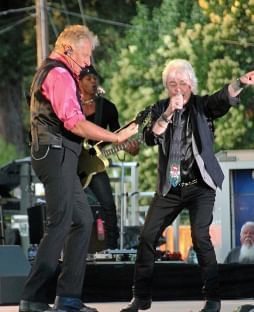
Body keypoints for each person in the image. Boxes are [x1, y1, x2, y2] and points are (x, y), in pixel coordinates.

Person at [19, 24, 138, 312]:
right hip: (54, 152)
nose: (88, 63)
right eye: (84, 56)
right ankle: (33, 298)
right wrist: (116, 136)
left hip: (59, 154)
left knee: (82, 221)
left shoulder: (61, 73)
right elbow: (74, 122)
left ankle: (68, 297)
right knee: (60, 222)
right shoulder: (58, 74)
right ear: (67, 49)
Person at [120, 59, 254, 312]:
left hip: (200, 185)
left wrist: (240, 83)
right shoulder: (159, 108)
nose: (178, 89)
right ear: (166, 87)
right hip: (171, 187)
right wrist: (169, 112)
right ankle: (141, 297)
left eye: (183, 83)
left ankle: (213, 299)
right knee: (147, 236)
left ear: (191, 85)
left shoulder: (202, 106)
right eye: (172, 84)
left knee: (200, 236)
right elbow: (151, 137)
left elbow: (222, 97)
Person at [78, 65, 139, 249]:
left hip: (94, 166)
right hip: (71, 161)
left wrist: (130, 147)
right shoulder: (71, 105)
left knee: (108, 205)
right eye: (88, 78)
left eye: (95, 78)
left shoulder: (108, 108)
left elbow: (117, 135)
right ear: (79, 82)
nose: (93, 81)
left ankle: (111, 248)